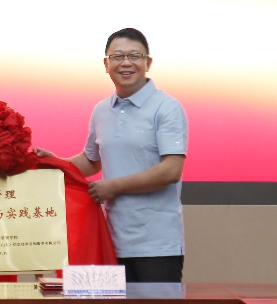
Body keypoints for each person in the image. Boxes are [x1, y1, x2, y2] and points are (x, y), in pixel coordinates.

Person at [36, 27, 188, 282]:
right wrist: (54, 163)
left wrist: (114, 186)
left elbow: (171, 170)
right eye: (117, 57)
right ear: (106, 64)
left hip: (157, 244)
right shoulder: (101, 110)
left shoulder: (167, 107)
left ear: (148, 63)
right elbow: (91, 161)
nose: (126, 63)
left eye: (134, 56)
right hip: (110, 239)